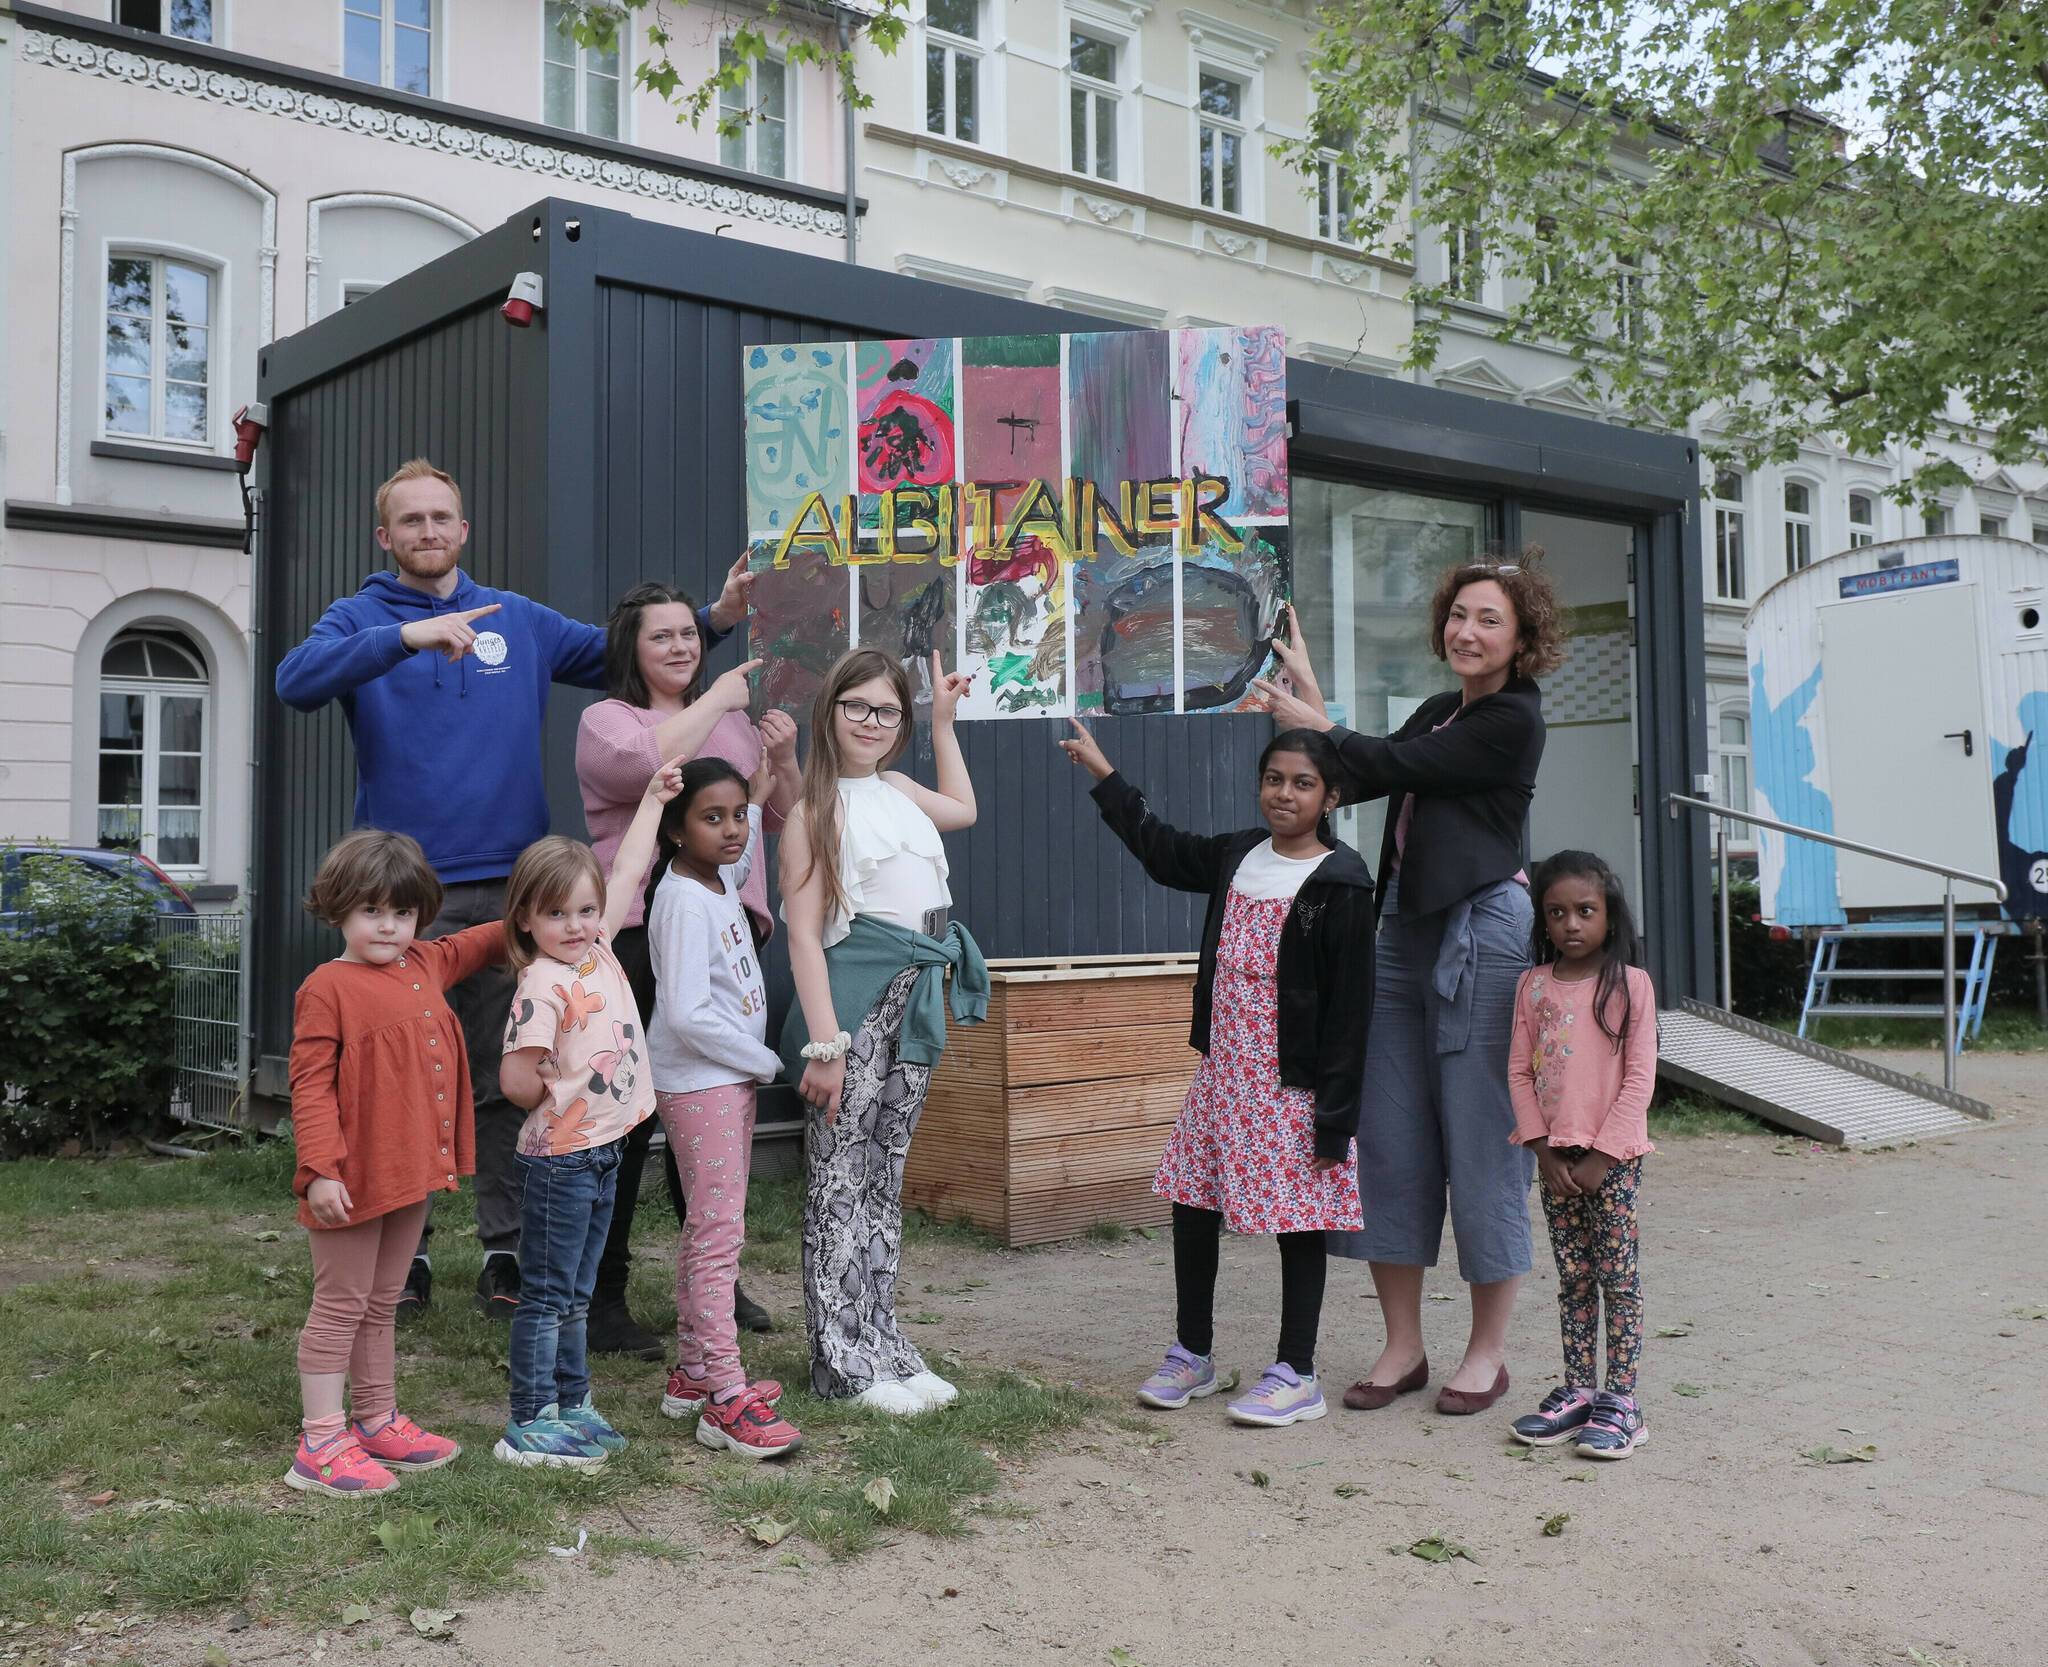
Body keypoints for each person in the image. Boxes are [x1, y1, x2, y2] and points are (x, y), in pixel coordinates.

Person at [275, 458, 751, 1324]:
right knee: (387, 1076)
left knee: (508, 1072)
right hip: (400, 898)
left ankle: (504, 1249)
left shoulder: (516, 620)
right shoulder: (360, 619)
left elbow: (622, 652)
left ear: (464, 530)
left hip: (510, 890)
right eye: (410, 520)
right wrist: (406, 639)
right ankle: (401, 1248)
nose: (428, 532)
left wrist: (713, 621)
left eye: (441, 518)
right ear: (386, 537)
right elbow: (294, 680)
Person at [1258, 562, 1565, 1417]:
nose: (1468, 631)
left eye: (1489, 620)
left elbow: (1401, 761)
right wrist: (1315, 704)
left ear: (1521, 637)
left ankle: (1488, 1353)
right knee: (1389, 1134)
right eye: (1459, 615)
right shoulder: (1441, 708)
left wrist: (1324, 721)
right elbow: (1364, 773)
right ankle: (1403, 1346)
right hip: (1402, 928)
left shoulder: (1514, 718)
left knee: (1479, 1134)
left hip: (1483, 929)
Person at [1059, 722, 1376, 1429]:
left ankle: (1297, 1370)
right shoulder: (1239, 855)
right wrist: (1106, 773)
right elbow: (1163, 850)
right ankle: (1192, 1352)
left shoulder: (1343, 883)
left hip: (1294, 1086)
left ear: (1330, 796)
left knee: (1300, 1219)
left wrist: (1337, 1117)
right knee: (1192, 1203)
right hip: (1223, 1076)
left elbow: (1353, 1011)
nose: (1284, 793)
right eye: (1274, 778)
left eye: (1302, 783)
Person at [574, 580, 798, 1356]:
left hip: (731, 931)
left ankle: (715, 1277)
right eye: (661, 636)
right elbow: (643, 767)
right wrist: (718, 705)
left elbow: (769, 814)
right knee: (632, 1120)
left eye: (687, 633)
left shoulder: (733, 721)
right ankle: (603, 1295)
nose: (681, 646)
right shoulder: (609, 720)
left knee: (711, 1108)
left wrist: (781, 756)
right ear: (631, 651)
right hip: (640, 936)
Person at [777, 649, 987, 1415]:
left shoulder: (898, 787)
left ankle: (885, 1340)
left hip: (916, 991)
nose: (872, 721)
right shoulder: (811, 812)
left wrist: (942, 723)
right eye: (857, 706)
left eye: (888, 710)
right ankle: (842, 1358)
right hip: (854, 997)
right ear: (829, 710)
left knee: (884, 1169)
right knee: (838, 1173)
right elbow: (804, 937)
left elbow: (963, 810)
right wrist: (826, 1046)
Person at [284, 829, 505, 1495]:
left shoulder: (424, 963)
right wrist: (319, 1169)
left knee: (382, 1299)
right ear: (338, 909)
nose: (388, 926)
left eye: (402, 912)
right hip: (349, 1180)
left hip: (413, 1168)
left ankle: (376, 1419)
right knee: (342, 1302)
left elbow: (487, 939)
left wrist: (548, 904)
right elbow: (311, 1084)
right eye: (372, 911)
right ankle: (320, 1440)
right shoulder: (328, 986)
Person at [491, 762, 673, 1468]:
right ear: (527, 919)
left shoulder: (598, 951)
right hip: (563, 1158)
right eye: (557, 913)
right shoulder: (542, 982)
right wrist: (552, 1090)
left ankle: (573, 1403)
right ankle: (529, 1419)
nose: (576, 924)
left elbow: (626, 865)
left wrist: (654, 800)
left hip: (604, 1148)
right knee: (546, 1294)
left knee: (576, 1291)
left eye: (585, 910)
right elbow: (513, 1078)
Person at [643, 756, 803, 1459]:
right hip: (703, 1081)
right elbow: (684, 1012)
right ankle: (724, 1397)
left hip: (719, 1080)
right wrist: (762, 1059)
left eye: (738, 815)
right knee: (717, 1239)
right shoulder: (680, 900)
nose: (733, 830)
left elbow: (741, 855)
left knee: (708, 1230)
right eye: (713, 818)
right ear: (677, 830)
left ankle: (692, 1372)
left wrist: (764, 785)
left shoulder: (717, 876)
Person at [1507, 850, 1656, 1459]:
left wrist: (1602, 1157)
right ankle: (1579, 1389)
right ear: (1543, 920)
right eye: (1557, 912)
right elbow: (1519, 1073)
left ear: (1609, 916)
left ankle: (1622, 1401)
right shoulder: (1533, 985)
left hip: (1610, 1160)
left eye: (1585, 911)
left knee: (1617, 1279)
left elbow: (1640, 1077)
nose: (1572, 923)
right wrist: (1543, 1153)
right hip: (1555, 1161)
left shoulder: (1629, 985)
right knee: (1574, 1277)